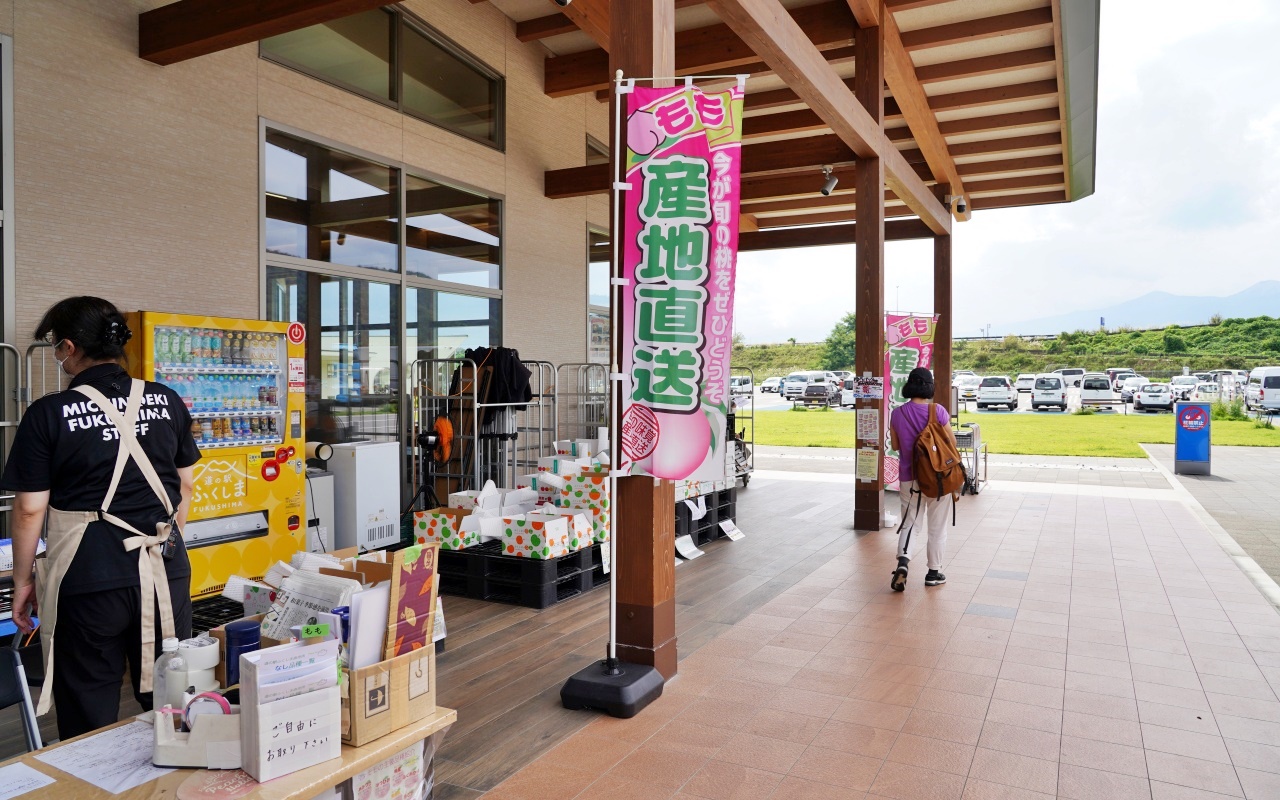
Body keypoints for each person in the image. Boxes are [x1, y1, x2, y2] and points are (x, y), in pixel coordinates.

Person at [3, 297, 200, 739]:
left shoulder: (48, 413)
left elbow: (30, 507)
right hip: (165, 567)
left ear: (70, 348)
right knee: (173, 697)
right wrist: (168, 542)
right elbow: (184, 485)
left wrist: (22, 583)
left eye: (56, 346)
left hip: (88, 575)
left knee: (88, 703)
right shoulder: (167, 400)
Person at [888, 367, 955, 591]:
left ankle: (903, 564)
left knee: (910, 523)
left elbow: (896, 446)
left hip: (910, 478)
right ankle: (933, 573)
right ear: (929, 386)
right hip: (938, 479)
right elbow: (951, 444)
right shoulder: (939, 411)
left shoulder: (897, 414)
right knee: (937, 527)